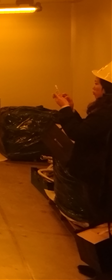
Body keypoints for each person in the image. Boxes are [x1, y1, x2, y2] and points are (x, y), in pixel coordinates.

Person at [52, 61, 112, 225]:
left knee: (98, 213)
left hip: (100, 175)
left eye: (97, 84)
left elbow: (78, 133)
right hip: (99, 173)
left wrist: (64, 109)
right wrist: (71, 109)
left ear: (107, 89)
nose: (93, 87)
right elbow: (87, 129)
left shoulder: (106, 113)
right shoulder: (103, 111)